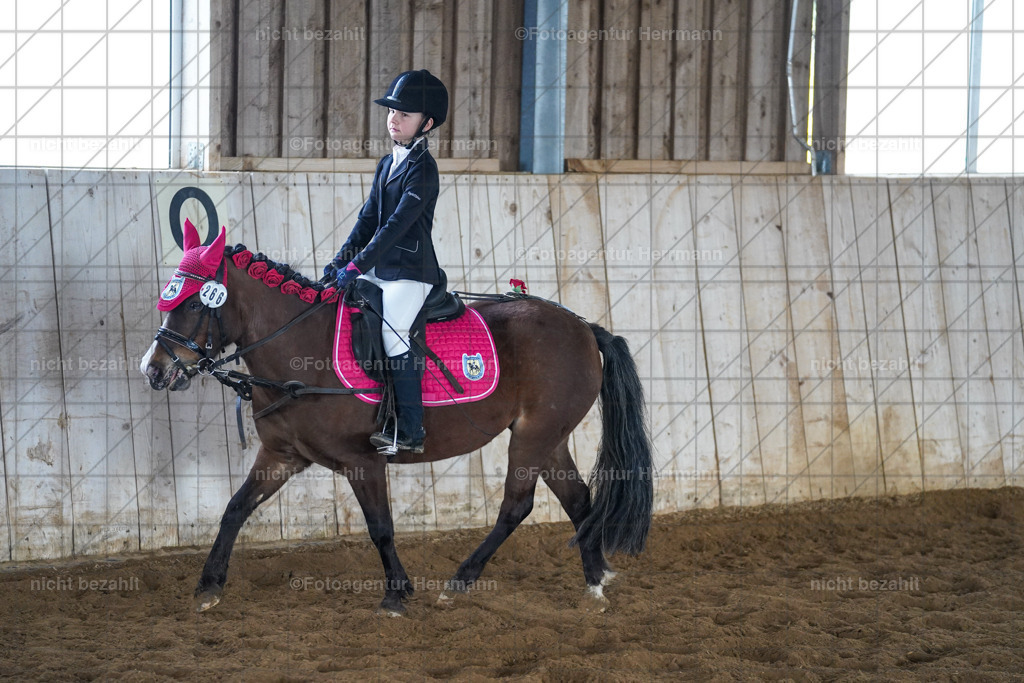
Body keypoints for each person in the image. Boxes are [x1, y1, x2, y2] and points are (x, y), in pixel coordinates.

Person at [324, 69, 448, 454]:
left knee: (394, 335)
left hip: (410, 275)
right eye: (392, 111)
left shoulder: (423, 170)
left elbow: (394, 228)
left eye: (405, 114)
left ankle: (411, 429)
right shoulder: (386, 164)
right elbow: (368, 220)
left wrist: (356, 268)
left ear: (425, 124)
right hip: (379, 270)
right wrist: (340, 260)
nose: (394, 118)